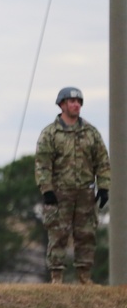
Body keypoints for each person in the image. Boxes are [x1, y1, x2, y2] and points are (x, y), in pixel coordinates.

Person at [34, 86, 111, 285]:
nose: (76, 105)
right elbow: (42, 164)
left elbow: (102, 161)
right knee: (58, 234)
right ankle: (57, 277)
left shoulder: (90, 133)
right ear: (62, 105)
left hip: (85, 192)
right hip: (60, 193)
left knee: (86, 235)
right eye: (72, 101)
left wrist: (103, 186)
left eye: (78, 102)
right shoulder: (50, 133)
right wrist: (47, 190)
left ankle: (84, 276)